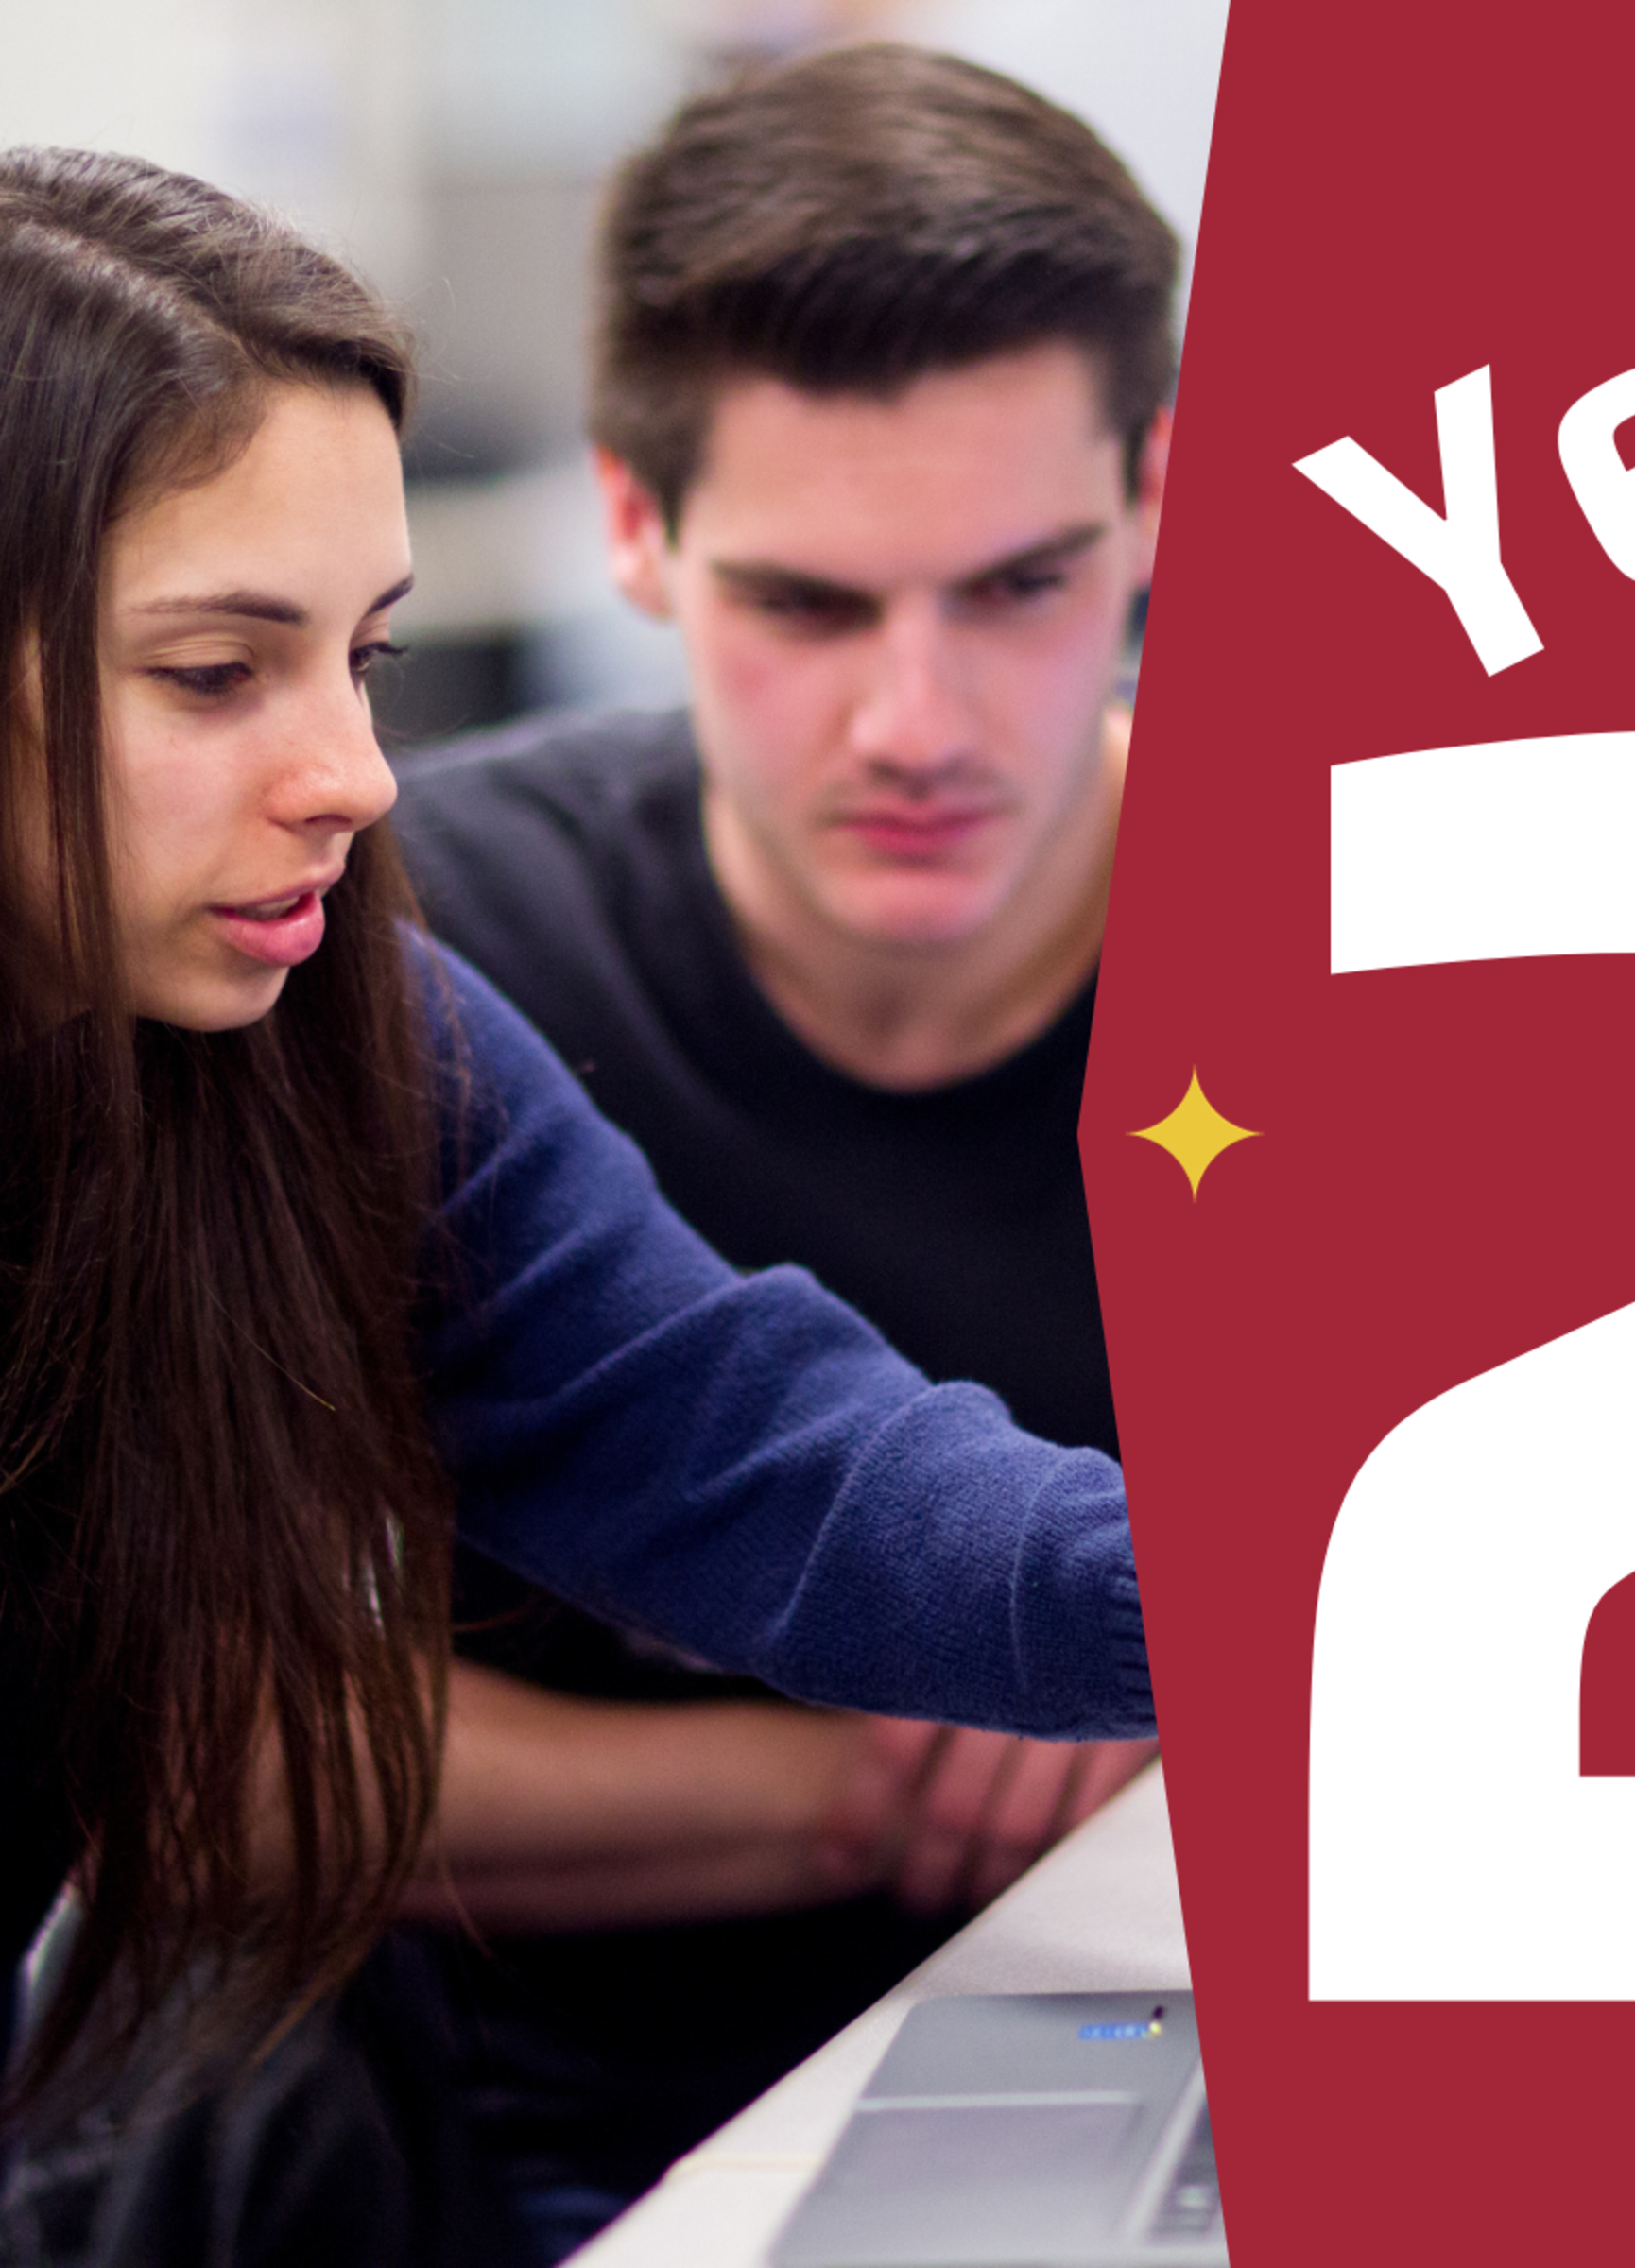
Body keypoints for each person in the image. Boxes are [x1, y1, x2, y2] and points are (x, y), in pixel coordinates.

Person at [0, 137, 1150, 2257]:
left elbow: (746, 1450)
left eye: (364, 659)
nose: (353, 776)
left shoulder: (336, 1021)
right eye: (216, 673)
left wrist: (1343, 1594)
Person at [384, 41, 1177, 2248]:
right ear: (633, 527)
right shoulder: (396, 952)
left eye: (1017, 586)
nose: (916, 725)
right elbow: (209, 1756)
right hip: (545, 2145)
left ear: (1160, 497)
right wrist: (876, 1776)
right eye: (808, 605)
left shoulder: (1396, 932)